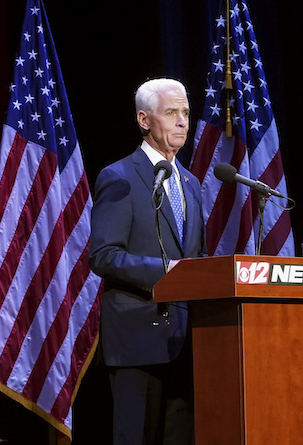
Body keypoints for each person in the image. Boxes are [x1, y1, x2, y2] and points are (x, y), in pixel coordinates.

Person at [89, 78, 205, 445]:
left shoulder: (190, 183)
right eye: (171, 112)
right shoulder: (119, 176)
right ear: (144, 120)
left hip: (185, 343)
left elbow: (194, 257)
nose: (182, 121)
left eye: (185, 113)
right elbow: (104, 255)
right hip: (137, 339)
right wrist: (166, 274)